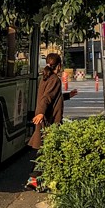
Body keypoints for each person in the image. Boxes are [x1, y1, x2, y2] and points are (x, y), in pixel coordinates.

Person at [26, 52, 77, 189]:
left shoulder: (45, 78)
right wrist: (41, 113)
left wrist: (68, 96)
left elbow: (54, 97)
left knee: (44, 151)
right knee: (46, 151)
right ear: (59, 66)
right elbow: (47, 98)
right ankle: (37, 180)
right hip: (49, 121)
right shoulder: (54, 79)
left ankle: (35, 180)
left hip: (44, 118)